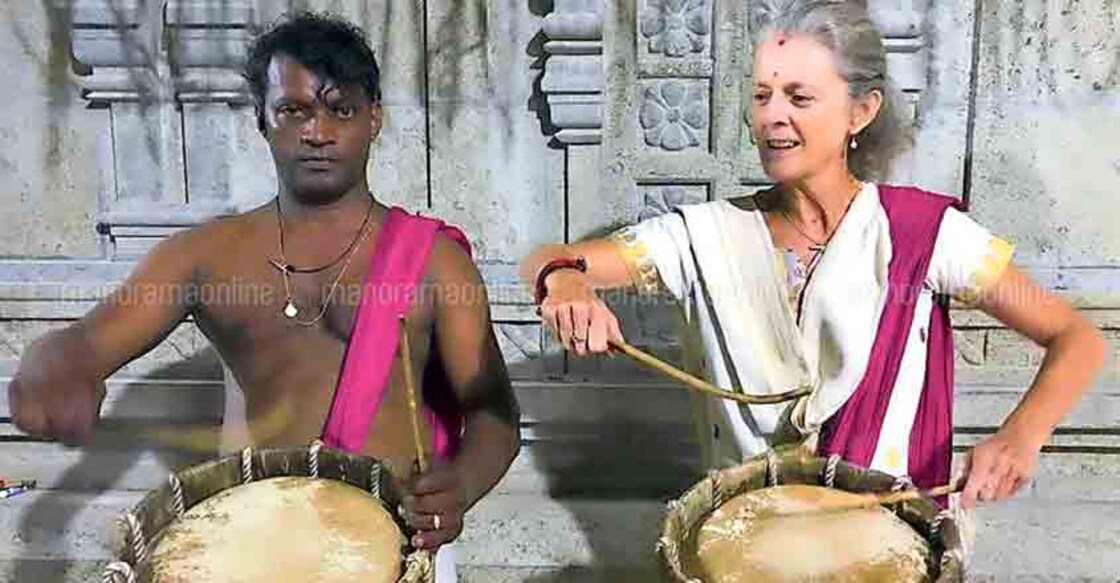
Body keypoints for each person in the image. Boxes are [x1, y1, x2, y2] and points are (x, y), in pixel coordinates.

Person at [520, 0, 1105, 514]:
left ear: (860, 111)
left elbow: (1077, 338)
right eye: (762, 97)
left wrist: (1020, 436)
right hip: (744, 542)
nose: (774, 116)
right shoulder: (706, 235)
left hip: (886, 541)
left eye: (800, 97)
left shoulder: (922, 234)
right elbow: (553, 260)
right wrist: (565, 283)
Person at [8, 12, 520, 580]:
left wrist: (463, 485)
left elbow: (494, 412)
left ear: (374, 118)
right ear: (262, 120)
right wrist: (53, 361)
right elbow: (89, 341)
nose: (318, 132)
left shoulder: (434, 263)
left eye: (341, 110)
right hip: (252, 545)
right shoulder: (207, 255)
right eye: (293, 110)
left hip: (397, 546)